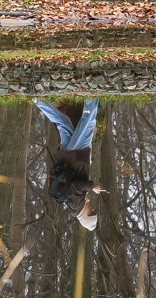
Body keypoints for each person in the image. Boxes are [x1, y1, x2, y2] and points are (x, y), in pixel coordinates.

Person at [34, 98, 106, 229]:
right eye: (93, 211)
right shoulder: (77, 206)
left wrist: (91, 186)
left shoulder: (76, 206)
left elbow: (75, 186)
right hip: (67, 157)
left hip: (76, 155)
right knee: (63, 123)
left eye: (91, 212)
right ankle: (37, 100)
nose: (91, 209)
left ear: (85, 217)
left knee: (88, 122)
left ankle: (91, 96)